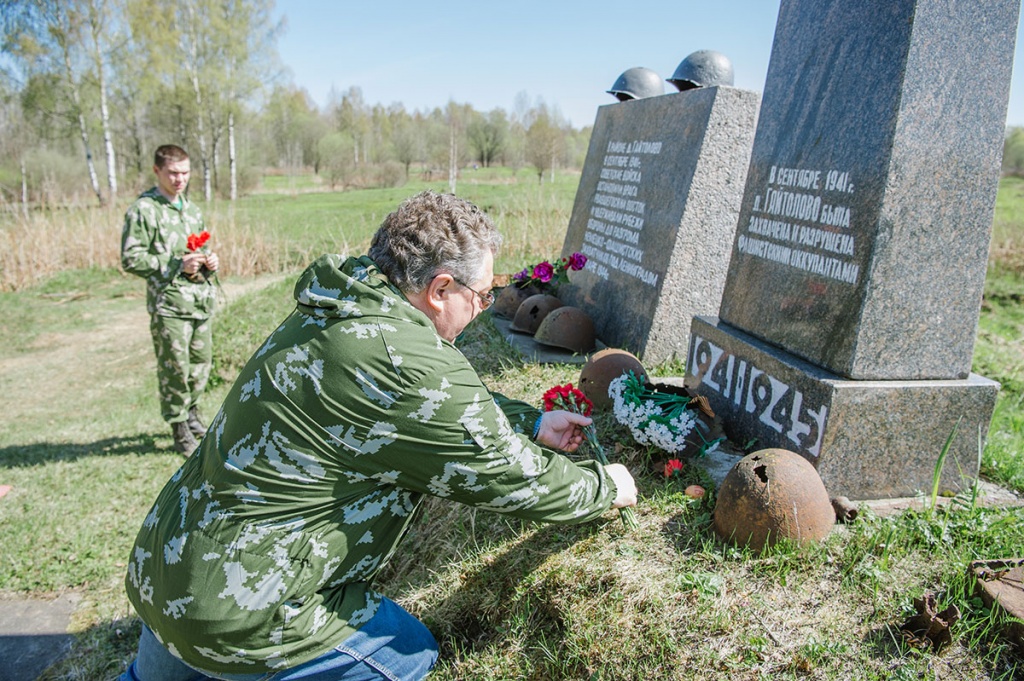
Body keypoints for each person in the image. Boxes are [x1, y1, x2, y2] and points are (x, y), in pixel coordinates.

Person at [117, 190, 638, 681]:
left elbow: (422, 405)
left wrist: (529, 421)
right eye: (481, 295)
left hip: (167, 567)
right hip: (239, 608)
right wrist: (607, 486)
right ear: (439, 289)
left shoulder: (345, 302)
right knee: (406, 653)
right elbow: (512, 479)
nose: (484, 307)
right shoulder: (406, 362)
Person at [121, 144, 220, 455]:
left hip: (199, 301)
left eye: (185, 173)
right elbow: (131, 258)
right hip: (169, 306)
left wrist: (208, 262)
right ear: (157, 171)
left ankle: (191, 416)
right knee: (175, 368)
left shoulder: (191, 209)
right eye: (173, 173)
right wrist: (175, 264)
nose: (180, 179)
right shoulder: (143, 210)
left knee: (200, 366)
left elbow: (198, 248)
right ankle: (178, 427)